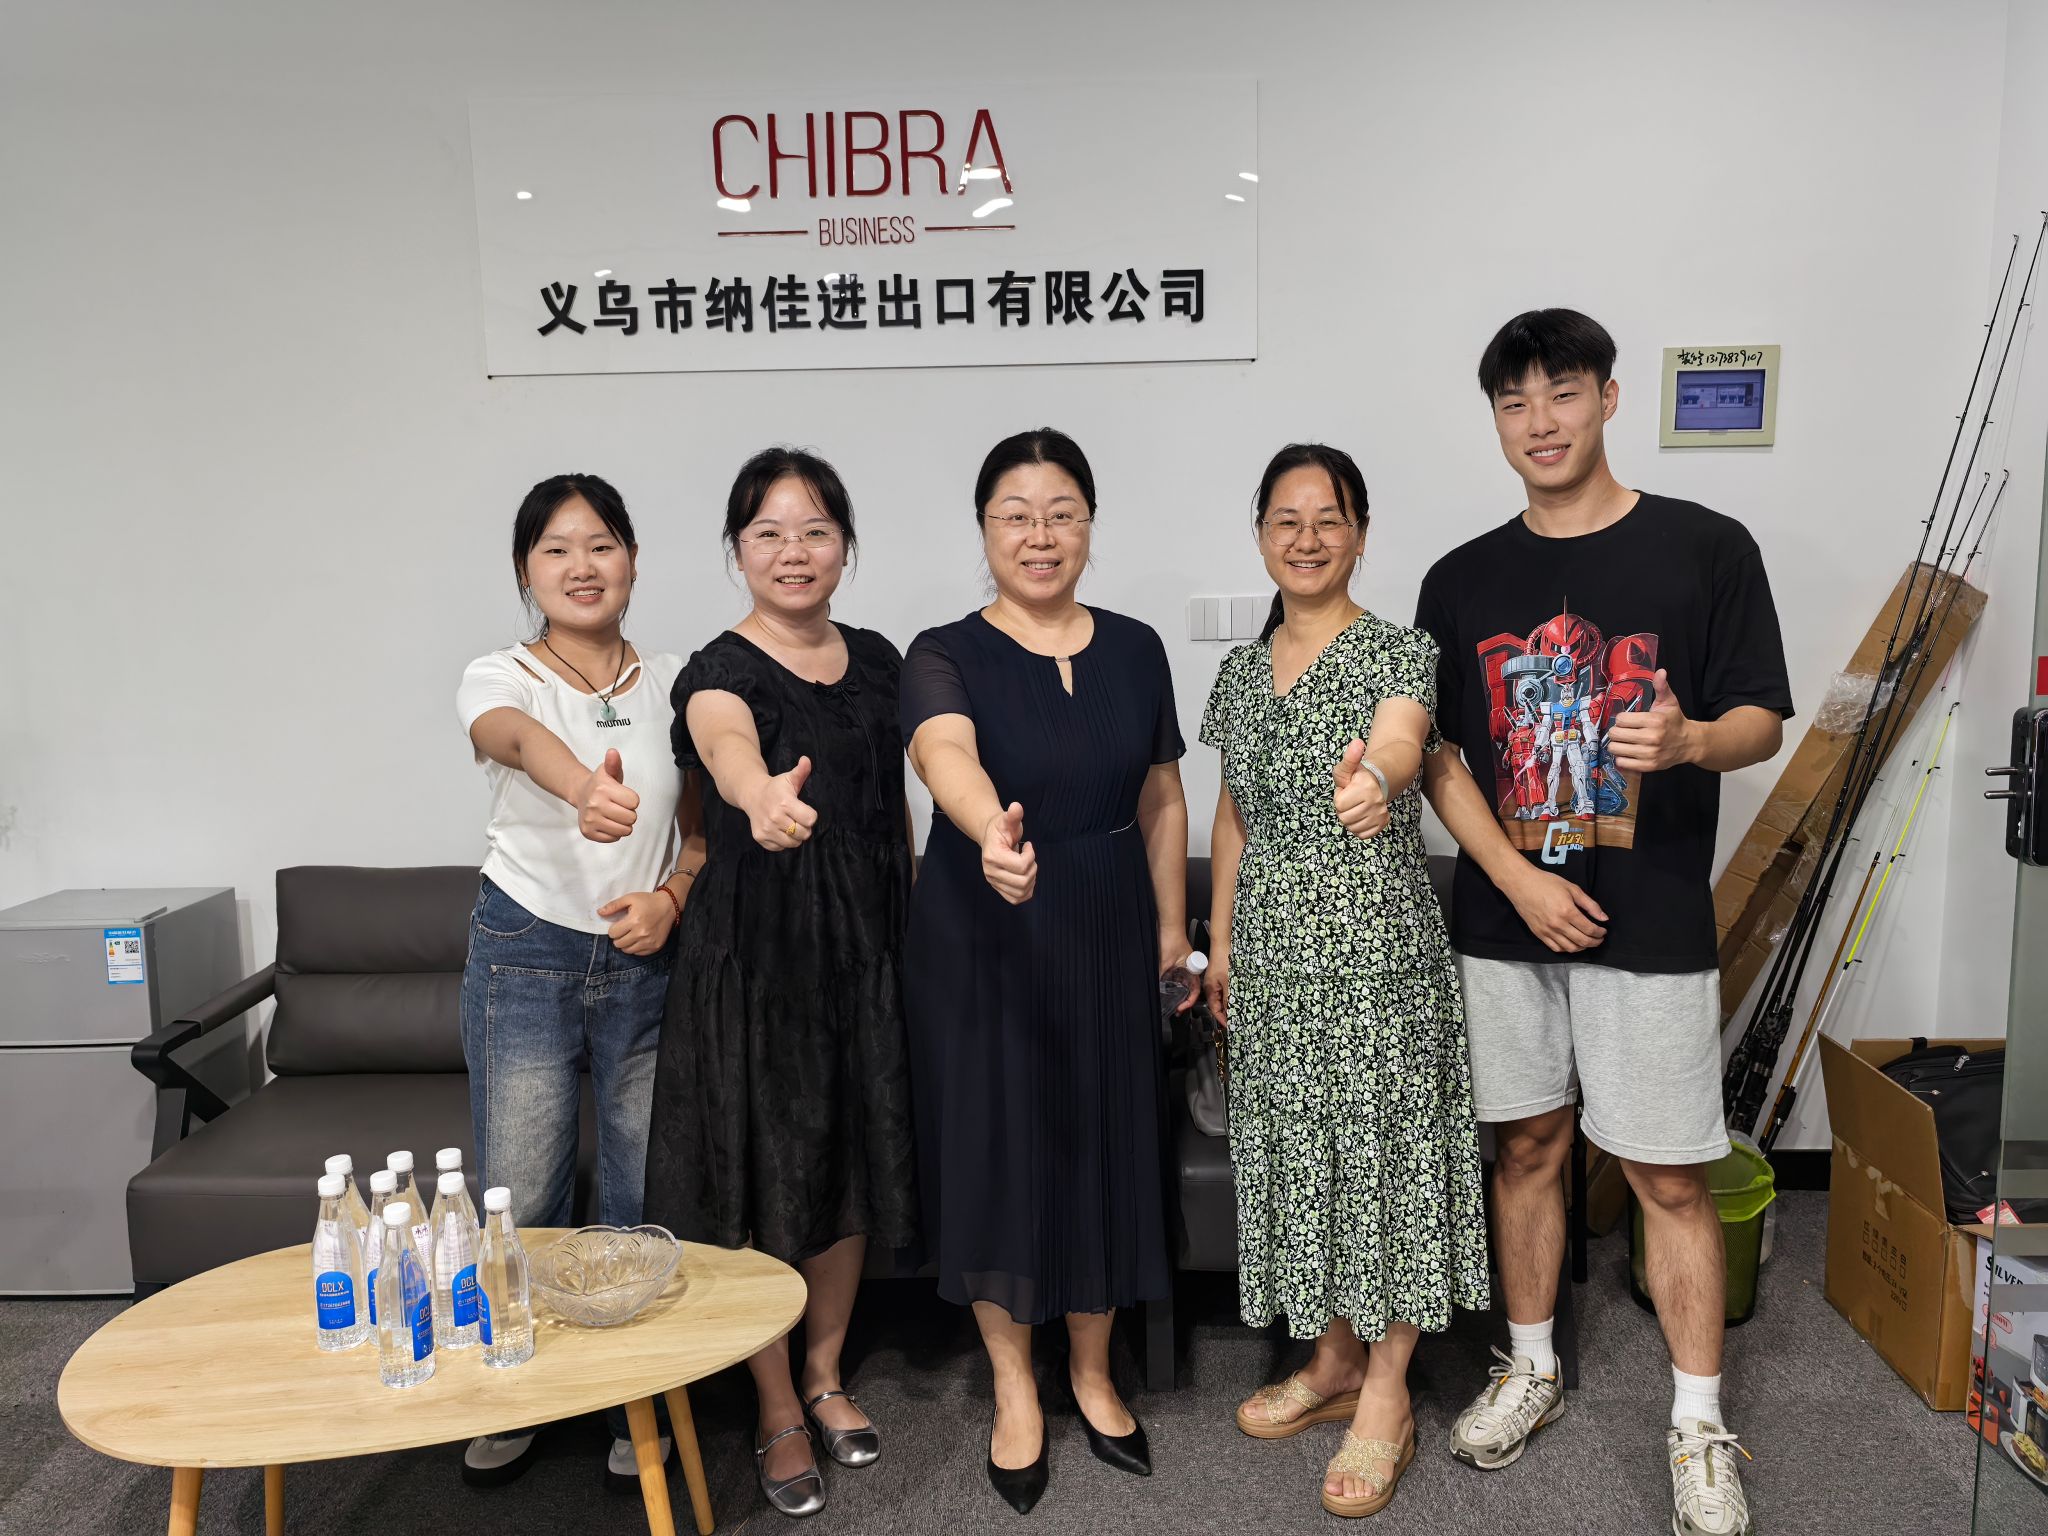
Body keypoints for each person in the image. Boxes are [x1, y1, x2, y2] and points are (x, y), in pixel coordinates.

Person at [1415, 309, 1792, 1536]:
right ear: (1494, 420)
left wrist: (1688, 739)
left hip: (1650, 915)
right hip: (1504, 920)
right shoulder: (1459, 579)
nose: (1539, 422)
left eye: (1562, 393)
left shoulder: (1704, 548)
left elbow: (1759, 720)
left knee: (1667, 1175)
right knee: (1524, 1150)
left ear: (1608, 399)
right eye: (1513, 402)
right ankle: (1528, 1365)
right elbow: (1440, 759)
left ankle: (1697, 1426)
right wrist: (1515, 880)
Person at [901, 428, 1191, 1515]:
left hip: (1108, 918)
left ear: (1089, 525)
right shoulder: (942, 651)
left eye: (1061, 513)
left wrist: (1171, 930)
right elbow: (944, 753)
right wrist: (990, 831)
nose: (1039, 535)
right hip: (988, 924)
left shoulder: (1136, 648)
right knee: (998, 1151)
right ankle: (1015, 1387)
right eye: (1015, 515)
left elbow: (1161, 796)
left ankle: (1092, 1372)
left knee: (1103, 1139)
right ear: (984, 530)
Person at [1202, 444, 1489, 1519]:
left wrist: (1374, 776)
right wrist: (1222, 943)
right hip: (1274, 956)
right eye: (1285, 520)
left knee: (1386, 1155)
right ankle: (1328, 1358)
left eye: (1328, 519)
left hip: (1375, 954)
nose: (1307, 538)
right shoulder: (1238, 674)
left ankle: (1386, 1390)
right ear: (1260, 536)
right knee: (1302, 1152)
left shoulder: (1399, 652)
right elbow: (1232, 816)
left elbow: (1404, 745)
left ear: (1360, 534)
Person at [641, 447, 918, 1520]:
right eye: (768, 533)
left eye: (813, 531)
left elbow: (895, 808)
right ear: (737, 550)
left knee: (848, 1160)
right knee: (760, 1176)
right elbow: (725, 747)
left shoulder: (882, 661)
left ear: (844, 545)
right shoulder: (718, 670)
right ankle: (774, 1405)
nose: (793, 552)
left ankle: (826, 1370)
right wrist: (759, 796)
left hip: (864, 955)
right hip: (756, 962)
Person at [455, 472, 698, 1487]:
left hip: (645, 960)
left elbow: (702, 828)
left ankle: (625, 1398)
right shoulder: (500, 673)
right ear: (526, 571)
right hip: (526, 952)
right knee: (523, 1190)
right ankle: (519, 1389)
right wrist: (580, 790)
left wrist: (673, 896)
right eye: (556, 549)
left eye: (601, 544)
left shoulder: (678, 680)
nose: (581, 566)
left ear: (632, 559)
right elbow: (509, 738)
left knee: (640, 1192)